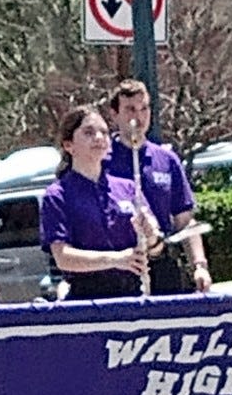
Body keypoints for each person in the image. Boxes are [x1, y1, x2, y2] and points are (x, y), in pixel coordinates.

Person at [41, 105, 160, 300]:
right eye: (88, 132)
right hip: (86, 300)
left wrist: (151, 236)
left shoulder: (128, 188)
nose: (99, 138)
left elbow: (155, 246)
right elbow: (63, 258)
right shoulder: (57, 195)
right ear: (68, 145)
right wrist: (117, 259)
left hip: (132, 296)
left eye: (104, 132)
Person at [104, 79, 211, 295]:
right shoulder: (103, 160)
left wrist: (199, 266)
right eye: (130, 109)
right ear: (114, 114)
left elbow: (184, 219)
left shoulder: (166, 159)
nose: (139, 116)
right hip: (120, 265)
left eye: (144, 108)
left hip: (162, 263)